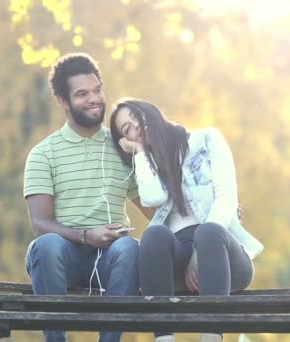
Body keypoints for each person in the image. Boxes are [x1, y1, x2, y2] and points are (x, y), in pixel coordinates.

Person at [110, 98, 264, 342]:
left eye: (136, 118)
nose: (135, 128)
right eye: (127, 129)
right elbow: (152, 198)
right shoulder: (148, 166)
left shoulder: (207, 139)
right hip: (178, 265)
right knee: (153, 235)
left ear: (149, 111)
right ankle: (164, 338)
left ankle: (211, 338)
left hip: (221, 255)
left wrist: (198, 252)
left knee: (209, 232)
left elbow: (226, 199)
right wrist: (140, 154)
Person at [23, 53, 152, 342]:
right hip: (62, 259)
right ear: (63, 101)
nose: (94, 99)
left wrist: (211, 211)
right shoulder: (44, 154)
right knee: (46, 244)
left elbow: (156, 210)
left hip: (111, 261)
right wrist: (85, 236)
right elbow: (40, 223)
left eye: (97, 90)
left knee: (130, 247)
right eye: (82, 94)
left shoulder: (122, 147)